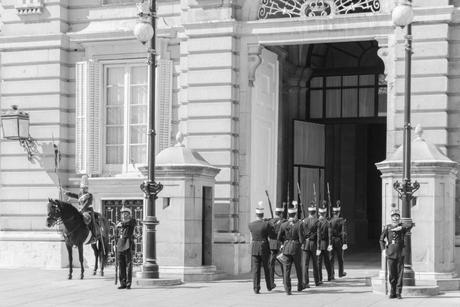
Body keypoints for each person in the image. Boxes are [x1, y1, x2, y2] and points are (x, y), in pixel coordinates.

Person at [379, 207, 414, 299]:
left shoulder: (403, 227)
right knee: (392, 274)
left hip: (400, 252)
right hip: (390, 252)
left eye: (397, 216)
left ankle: (398, 292)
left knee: (400, 273)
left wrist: (401, 227)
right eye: (394, 216)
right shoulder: (387, 227)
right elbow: (381, 240)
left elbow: (411, 224)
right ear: (391, 217)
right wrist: (383, 250)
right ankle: (392, 291)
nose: (395, 218)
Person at [277, 204, 305, 295]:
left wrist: (284, 242)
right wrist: (301, 243)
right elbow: (301, 239)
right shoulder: (299, 224)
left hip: (286, 247)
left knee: (286, 269)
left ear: (288, 214)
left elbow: (279, 237)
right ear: (295, 214)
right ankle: (300, 286)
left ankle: (287, 289)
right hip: (296, 248)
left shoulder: (283, 224)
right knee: (298, 268)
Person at [62, 175, 99, 240]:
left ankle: (94, 236)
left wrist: (81, 210)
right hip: (81, 211)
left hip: (88, 211)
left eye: (84, 188)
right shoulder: (80, 195)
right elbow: (75, 195)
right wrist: (68, 193)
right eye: (81, 188)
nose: (82, 189)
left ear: (86, 188)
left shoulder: (89, 195)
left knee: (92, 222)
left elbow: (86, 204)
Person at [248, 203, 274, 294]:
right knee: (267, 267)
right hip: (264, 247)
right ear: (263, 215)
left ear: (256, 215)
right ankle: (269, 286)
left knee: (256, 269)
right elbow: (272, 235)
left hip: (255, 247)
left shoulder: (251, 224)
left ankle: (256, 288)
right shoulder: (266, 224)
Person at [116, 205, 136, 289]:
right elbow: (117, 235)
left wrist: (121, 224)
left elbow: (129, 223)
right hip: (120, 244)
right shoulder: (119, 223)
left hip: (128, 244)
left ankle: (128, 283)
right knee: (121, 265)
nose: (124, 215)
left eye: (126, 213)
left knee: (129, 265)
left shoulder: (132, 221)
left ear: (129, 214)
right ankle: (122, 283)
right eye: (122, 214)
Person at [301, 202, 320, 288]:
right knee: (315, 264)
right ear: (315, 212)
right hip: (313, 244)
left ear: (309, 212)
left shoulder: (304, 221)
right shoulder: (317, 221)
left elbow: (301, 233)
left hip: (305, 244)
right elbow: (318, 235)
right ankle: (317, 281)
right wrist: (318, 247)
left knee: (305, 264)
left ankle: (306, 282)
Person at [268, 206, 286, 289]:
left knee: (271, 263)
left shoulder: (270, 221)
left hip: (272, 243)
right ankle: (285, 280)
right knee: (283, 262)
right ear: (281, 213)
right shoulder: (283, 221)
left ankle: (271, 281)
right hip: (280, 243)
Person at [329, 202, 348, 279]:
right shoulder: (342, 221)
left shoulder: (330, 220)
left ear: (333, 213)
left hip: (332, 240)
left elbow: (329, 233)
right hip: (338, 240)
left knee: (331, 258)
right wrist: (344, 242)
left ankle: (331, 274)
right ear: (339, 212)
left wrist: (329, 243)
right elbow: (343, 233)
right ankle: (341, 273)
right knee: (340, 258)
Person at [316, 201, 333, 284]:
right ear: (325, 213)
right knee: (327, 261)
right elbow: (330, 234)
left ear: (319, 213)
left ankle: (320, 278)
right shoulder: (328, 223)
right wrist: (330, 244)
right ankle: (329, 276)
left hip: (318, 244)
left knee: (319, 262)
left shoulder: (317, 222)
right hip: (326, 244)